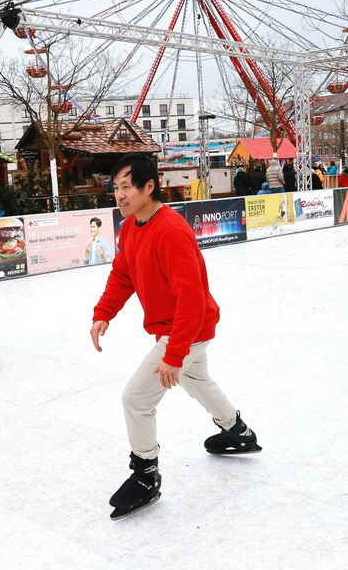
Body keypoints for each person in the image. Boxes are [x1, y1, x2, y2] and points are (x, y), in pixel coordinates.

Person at [91, 154, 261, 520]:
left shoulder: (170, 230)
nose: (118, 195)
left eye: (125, 187)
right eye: (115, 188)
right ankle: (237, 431)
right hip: (184, 329)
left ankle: (146, 474)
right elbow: (123, 275)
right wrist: (103, 313)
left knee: (135, 398)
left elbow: (192, 298)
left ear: (148, 186)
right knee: (196, 378)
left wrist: (174, 353)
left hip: (187, 328)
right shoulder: (134, 227)